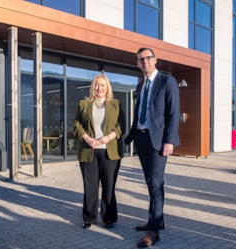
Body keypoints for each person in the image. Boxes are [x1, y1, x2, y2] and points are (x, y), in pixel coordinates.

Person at [124, 47, 180, 248]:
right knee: (150, 182)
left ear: (155, 59)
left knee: (155, 183)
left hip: (158, 141)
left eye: (148, 58)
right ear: (138, 64)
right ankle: (158, 220)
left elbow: (173, 113)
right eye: (140, 59)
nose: (144, 62)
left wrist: (169, 140)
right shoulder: (141, 85)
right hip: (141, 138)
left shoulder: (167, 81)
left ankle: (153, 232)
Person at [73, 74, 125, 230]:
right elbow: (76, 125)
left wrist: (108, 138)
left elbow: (121, 126)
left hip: (110, 152)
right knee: (90, 186)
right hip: (89, 151)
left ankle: (109, 218)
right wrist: (88, 139)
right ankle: (89, 218)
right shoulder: (83, 104)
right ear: (92, 87)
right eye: (96, 85)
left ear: (107, 87)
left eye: (102, 85)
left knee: (109, 186)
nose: (99, 88)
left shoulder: (115, 104)